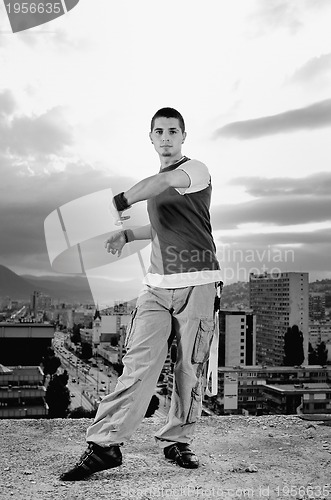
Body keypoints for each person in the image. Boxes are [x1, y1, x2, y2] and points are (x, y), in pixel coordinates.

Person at [60, 107, 222, 481]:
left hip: (198, 282)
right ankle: (105, 446)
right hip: (157, 286)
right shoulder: (158, 182)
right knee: (138, 364)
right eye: (159, 132)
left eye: (172, 131)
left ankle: (176, 440)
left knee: (188, 368)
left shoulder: (195, 170)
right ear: (150, 138)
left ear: (183, 136)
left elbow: (160, 186)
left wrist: (120, 201)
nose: (166, 137)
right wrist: (130, 234)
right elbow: (162, 224)